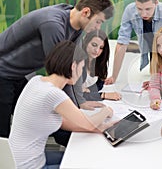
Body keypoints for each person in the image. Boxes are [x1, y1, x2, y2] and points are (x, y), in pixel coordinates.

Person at [0, 0, 113, 138]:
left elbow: (72, 67)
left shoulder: (76, 26)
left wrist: (80, 102)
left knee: (41, 119)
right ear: (86, 12)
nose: (98, 28)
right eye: (98, 21)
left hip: (17, 75)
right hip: (3, 73)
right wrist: (77, 112)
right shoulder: (53, 24)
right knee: (3, 133)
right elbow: (63, 72)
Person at [9, 41, 114, 169]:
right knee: (89, 163)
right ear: (73, 66)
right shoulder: (54, 94)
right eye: (81, 68)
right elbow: (88, 124)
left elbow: (64, 122)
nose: (81, 73)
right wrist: (106, 111)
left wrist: (101, 127)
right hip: (30, 166)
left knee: (79, 157)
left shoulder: (36, 81)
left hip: (18, 160)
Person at [82, 29, 121, 102]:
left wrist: (88, 91)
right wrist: (103, 95)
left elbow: (99, 85)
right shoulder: (77, 63)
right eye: (94, 45)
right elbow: (76, 94)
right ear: (86, 42)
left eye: (101, 48)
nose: (97, 50)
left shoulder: (99, 62)